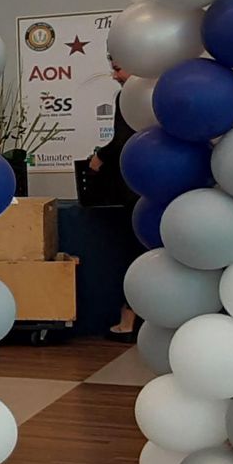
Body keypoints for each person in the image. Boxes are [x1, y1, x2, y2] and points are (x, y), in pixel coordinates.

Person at [82, 56, 140, 338]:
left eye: (117, 68)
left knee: (136, 255)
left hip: (137, 191)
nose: (114, 76)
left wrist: (100, 157)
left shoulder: (129, 96)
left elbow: (123, 141)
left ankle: (128, 320)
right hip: (164, 190)